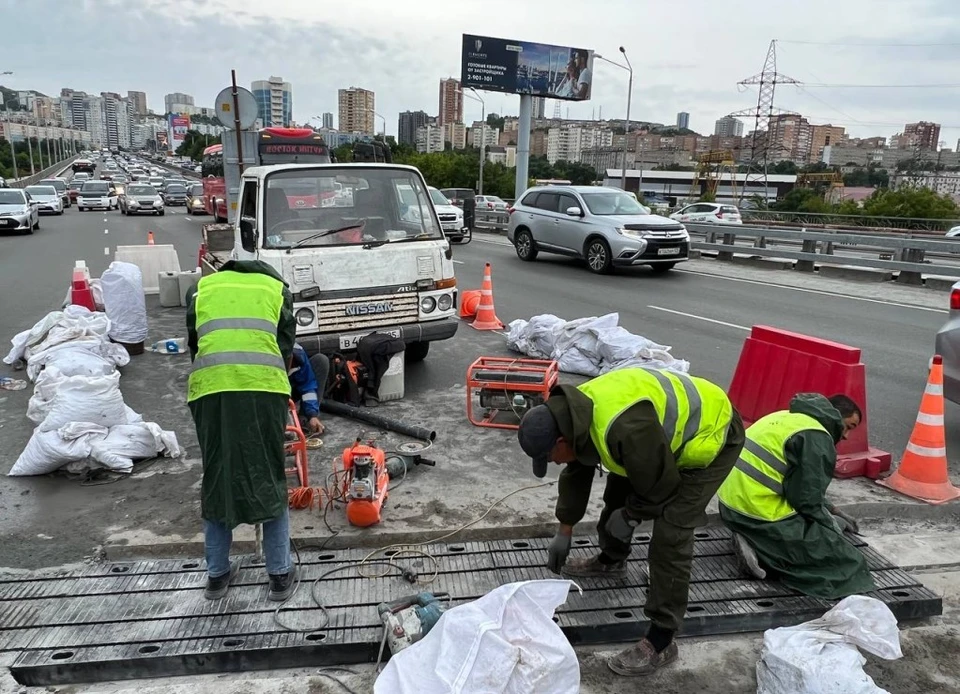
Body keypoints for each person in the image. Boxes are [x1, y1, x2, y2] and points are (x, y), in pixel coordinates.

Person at [517, 367, 744, 677]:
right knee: (619, 488)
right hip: (654, 443)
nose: (553, 462)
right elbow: (577, 466)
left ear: (560, 439)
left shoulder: (625, 428)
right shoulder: (574, 412)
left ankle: (662, 639)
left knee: (672, 529)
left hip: (711, 435)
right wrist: (565, 527)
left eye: (550, 456)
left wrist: (630, 516)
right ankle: (612, 560)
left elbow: (661, 489)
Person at [186, 259, 298, 602]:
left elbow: (195, 344)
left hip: (210, 391)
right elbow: (285, 348)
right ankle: (279, 574)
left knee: (218, 474)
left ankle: (217, 576)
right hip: (262, 390)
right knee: (268, 471)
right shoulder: (276, 290)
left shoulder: (201, 289)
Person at [717, 393, 876, 598]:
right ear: (835, 416)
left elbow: (794, 483)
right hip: (759, 516)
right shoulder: (816, 437)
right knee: (845, 559)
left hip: (730, 508)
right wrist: (830, 527)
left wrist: (832, 509)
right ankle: (760, 554)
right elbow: (805, 501)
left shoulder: (786, 418)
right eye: (849, 426)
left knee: (816, 531)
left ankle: (753, 540)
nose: (845, 436)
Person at [288, 343, 328, 434]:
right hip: (268, 393)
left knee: (321, 360)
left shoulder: (298, 353)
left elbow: (307, 385)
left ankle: (305, 420)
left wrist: (312, 415)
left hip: (290, 389)